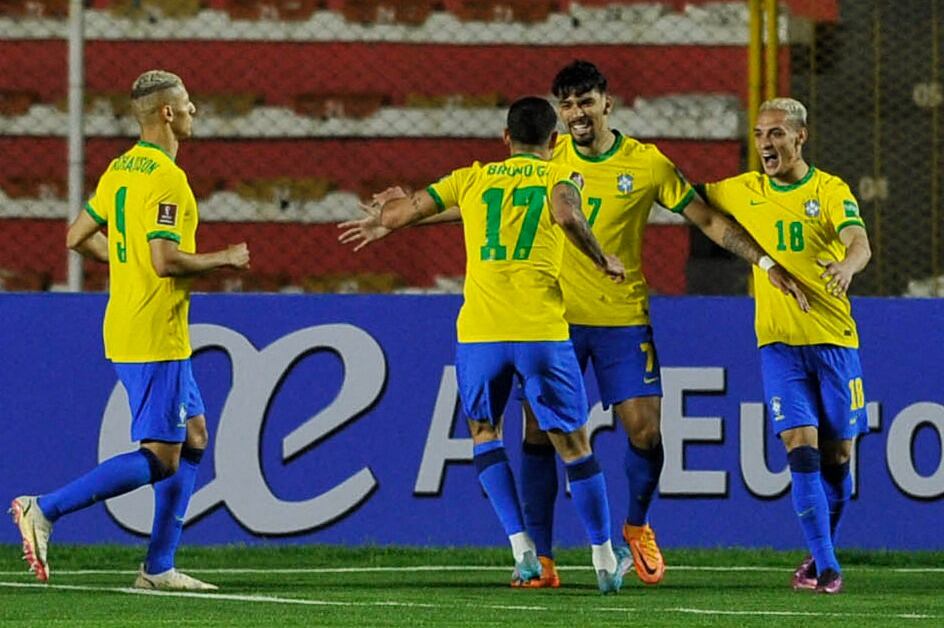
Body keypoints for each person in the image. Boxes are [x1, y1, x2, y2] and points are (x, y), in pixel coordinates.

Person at [340, 60, 806, 588]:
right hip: (554, 319)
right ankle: (543, 559)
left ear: (607, 102)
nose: (577, 113)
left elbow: (707, 219)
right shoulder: (550, 157)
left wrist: (766, 263)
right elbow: (490, 205)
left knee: (646, 431)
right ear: (557, 116)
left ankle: (637, 526)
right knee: (539, 438)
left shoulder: (646, 163)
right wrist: (397, 221)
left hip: (620, 318)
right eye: (566, 104)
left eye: (585, 101)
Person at [376, 95, 634, 593]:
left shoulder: (469, 178)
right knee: (574, 444)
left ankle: (523, 553)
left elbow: (394, 219)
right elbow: (565, 214)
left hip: (481, 333)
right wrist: (602, 259)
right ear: (554, 142)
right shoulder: (560, 175)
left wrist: (394, 202)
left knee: (483, 433)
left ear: (504, 138)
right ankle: (604, 559)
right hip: (540, 329)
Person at [9, 70, 250, 591]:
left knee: (193, 435)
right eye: (187, 103)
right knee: (163, 458)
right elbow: (165, 262)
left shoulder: (122, 169)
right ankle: (43, 509)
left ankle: (158, 568)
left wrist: (125, 267)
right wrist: (224, 258)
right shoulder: (167, 179)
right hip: (151, 329)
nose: (194, 111)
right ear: (167, 112)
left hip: (134, 320)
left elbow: (77, 236)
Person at [696, 97, 871, 594]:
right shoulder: (741, 190)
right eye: (758, 134)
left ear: (800, 137)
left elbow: (859, 239)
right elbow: (685, 197)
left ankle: (818, 559)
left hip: (834, 340)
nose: (766, 144)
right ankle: (828, 567)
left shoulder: (829, 190)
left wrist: (847, 265)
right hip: (778, 346)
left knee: (839, 458)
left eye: (776, 134)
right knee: (800, 447)